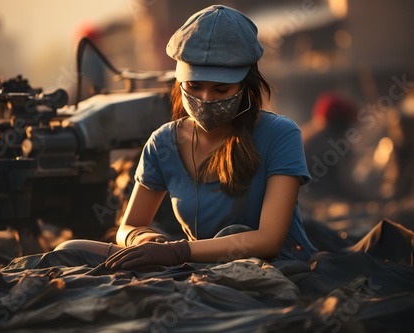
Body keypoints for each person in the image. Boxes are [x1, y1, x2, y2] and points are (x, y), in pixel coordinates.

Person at [55, 5, 317, 270]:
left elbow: (269, 240)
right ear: (179, 82)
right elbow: (129, 225)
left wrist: (178, 251)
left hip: (268, 265)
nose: (205, 99)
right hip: (194, 262)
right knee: (70, 249)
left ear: (246, 86)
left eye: (221, 89)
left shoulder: (280, 134)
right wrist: (143, 238)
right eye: (194, 86)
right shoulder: (164, 143)